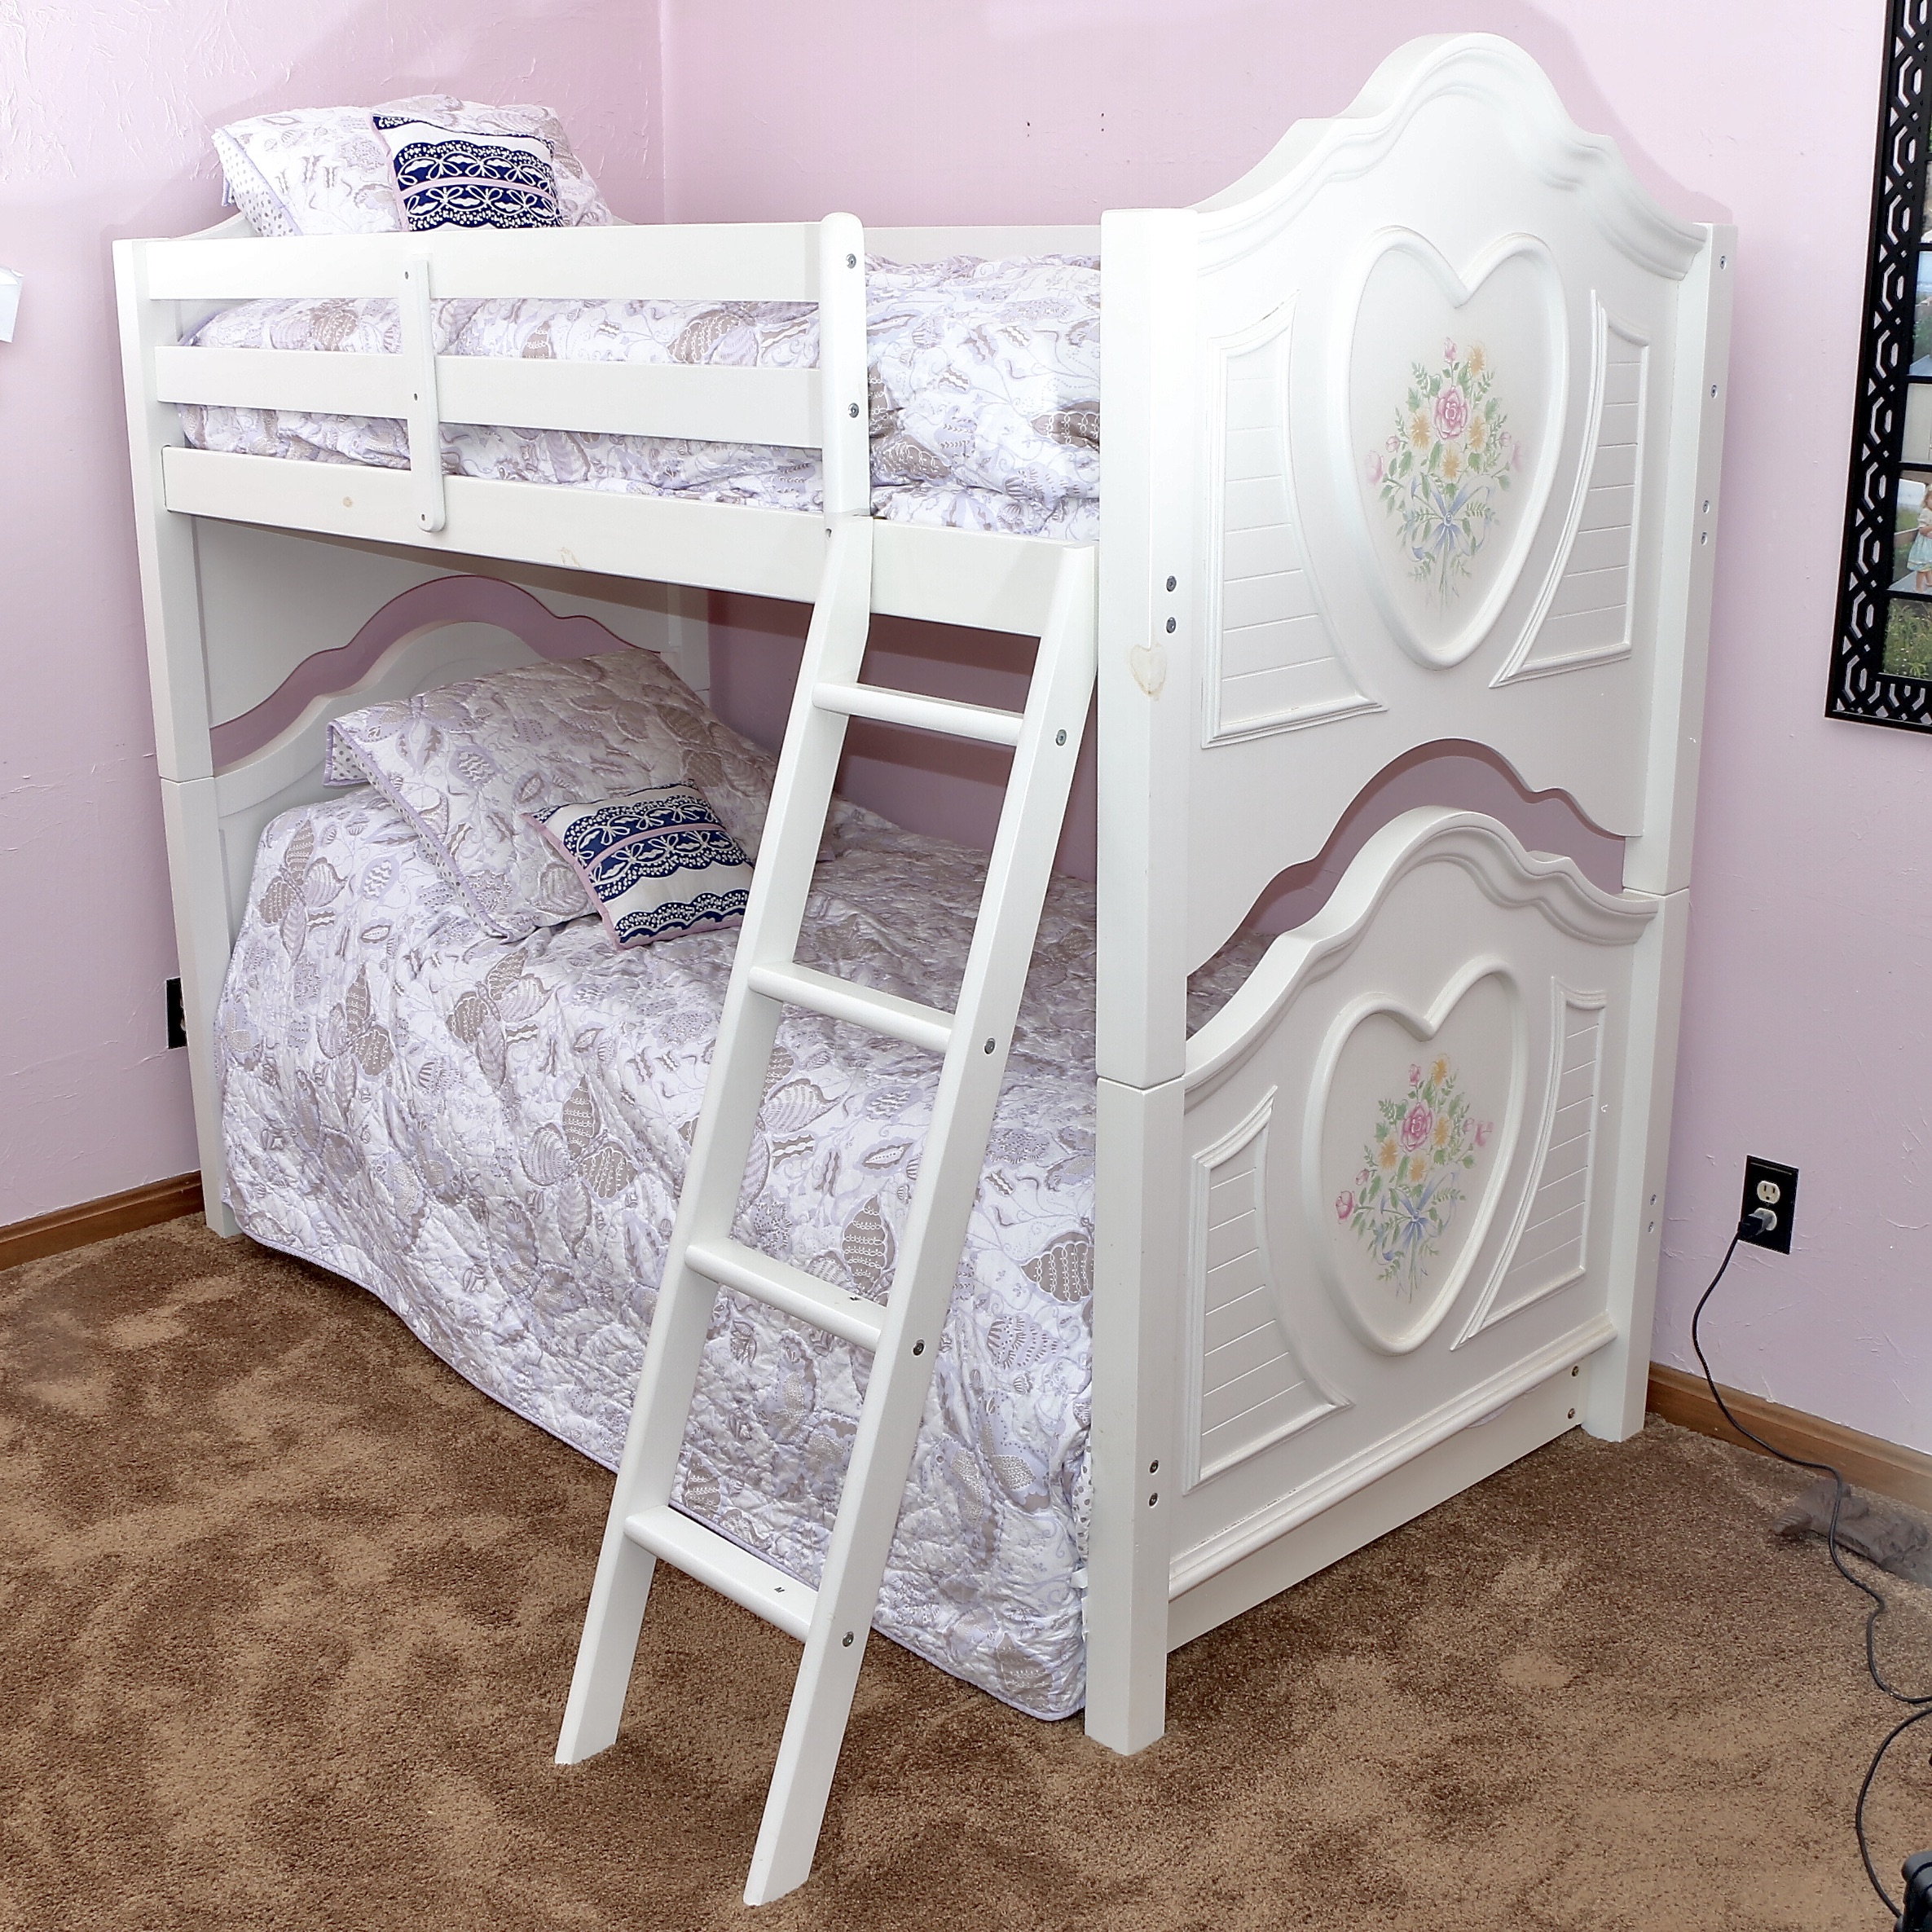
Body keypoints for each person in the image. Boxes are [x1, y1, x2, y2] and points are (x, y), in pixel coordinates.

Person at [1909, 494, 1932, 593]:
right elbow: (1922, 530)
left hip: (1929, 543)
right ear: (1926, 500)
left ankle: (1930, 581)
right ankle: (1918, 587)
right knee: (1923, 567)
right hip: (1924, 544)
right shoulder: (1926, 512)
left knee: (1928, 564)